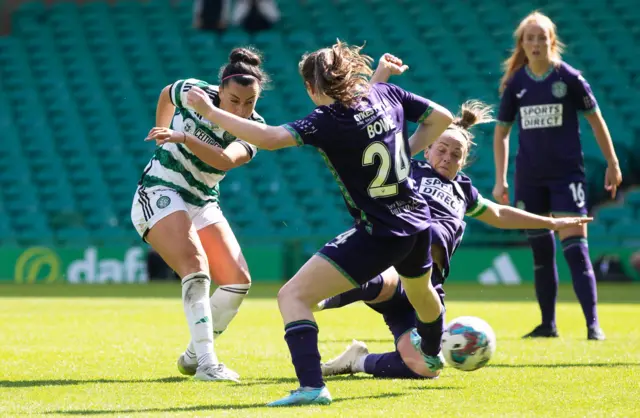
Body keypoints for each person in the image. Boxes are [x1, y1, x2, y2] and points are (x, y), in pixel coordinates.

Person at [148, 41, 455, 406]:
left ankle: (312, 386)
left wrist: (209, 112)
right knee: (422, 293)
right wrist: (403, 150)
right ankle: (433, 350)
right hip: (418, 220)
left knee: (292, 296)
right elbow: (442, 119)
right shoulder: (384, 93)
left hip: (380, 232)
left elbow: (273, 138)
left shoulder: (327, 120)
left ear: (312, 87)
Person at [315, 100, 591, 379]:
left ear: (464, 161)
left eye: (456, 154)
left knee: (426, 368)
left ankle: (358, 361)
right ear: (427, 149)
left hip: (428, 289)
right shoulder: (407, 171)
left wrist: (551, 222)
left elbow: (500, 214)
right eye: (442, 149)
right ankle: (320, 298)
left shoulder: (464, 192)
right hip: (398, 265)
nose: (447, 157)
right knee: (386, 275)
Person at [132, 47, 269, 382]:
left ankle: (194, 355)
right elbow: (167, 94)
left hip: (202, 199)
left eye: (249, 102)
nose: (241, 108)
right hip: (160, 189)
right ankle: (208, 364)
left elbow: (224, 160)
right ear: (220, 90)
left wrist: (179, 136)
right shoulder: (194, 91)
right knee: (195, 265)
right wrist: (160, 134)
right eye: (234, 100)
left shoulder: (254, 128)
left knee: (238, 281)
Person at [493, 11, 622, 340]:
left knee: (576, 249)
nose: (535, 43)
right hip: (530, 178)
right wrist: (501, 178)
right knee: (540, 251)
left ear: (552, 41)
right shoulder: (516, 84)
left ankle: (593, 325)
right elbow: (501, 133)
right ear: (522, 43)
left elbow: (596, 120)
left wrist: (612, 162)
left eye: (541, 37)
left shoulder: (570, 79)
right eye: (529, 38)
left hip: (567, 177)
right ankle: (548, 324)